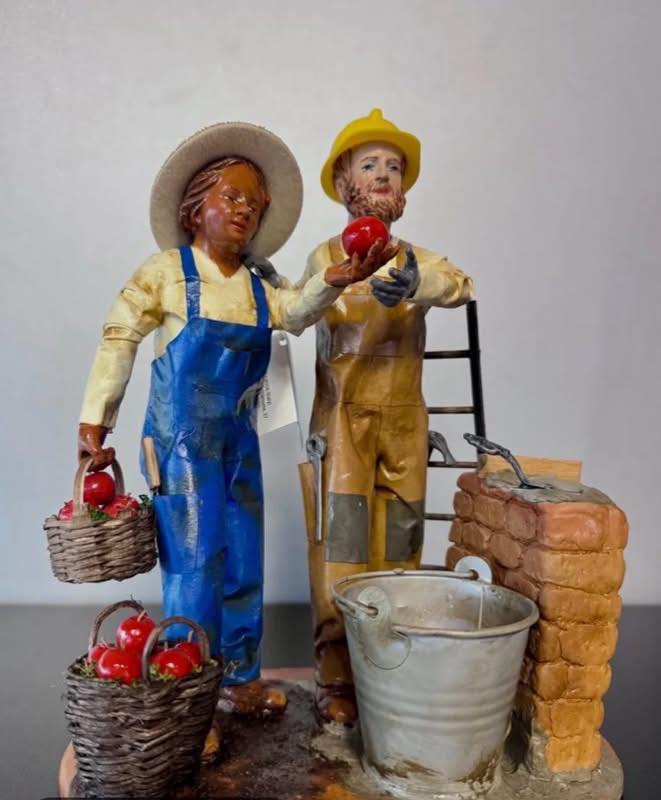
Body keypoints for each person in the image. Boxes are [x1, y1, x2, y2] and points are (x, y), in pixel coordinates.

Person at [76, 122, 394, 724]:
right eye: (232, 196)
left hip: (239, 439)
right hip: (181, 445)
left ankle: (240, 678)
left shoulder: (259, 281)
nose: (245, 209)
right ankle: (189, 693)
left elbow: (293, 312)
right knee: (195, 563)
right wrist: (97, 419)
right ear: (197, 208)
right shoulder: (167, 273)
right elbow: (119, 337)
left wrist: (333, 281)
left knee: (245, 558)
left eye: (255, 202)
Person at [291, 109, 475, 723]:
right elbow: (293, 312)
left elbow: (459, 284)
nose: (383, 176)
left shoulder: (415, 259)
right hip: (342, 421)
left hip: (402, 423)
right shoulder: (324, 256)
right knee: (340, 543)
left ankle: (390, 670)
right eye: (369, 165)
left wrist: (415, 283)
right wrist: (331, 282)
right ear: (344, 180)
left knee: (400, 542)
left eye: (393, 167)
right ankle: (337, 673)